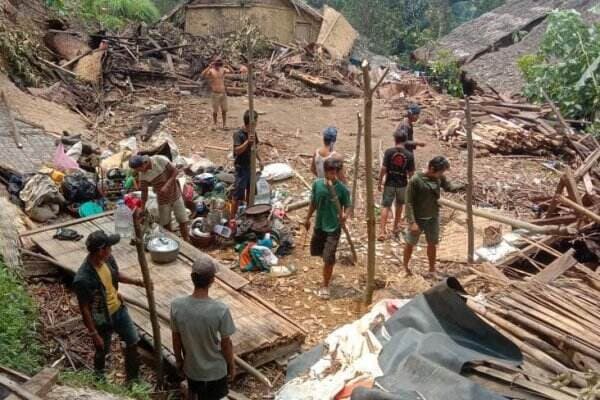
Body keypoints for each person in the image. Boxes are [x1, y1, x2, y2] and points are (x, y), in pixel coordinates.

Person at [72, 230, 146, 381]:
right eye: (109, 248)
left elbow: (116, 275)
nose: (111, 251)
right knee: (102, 349)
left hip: (119, 310)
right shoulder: (83, 278)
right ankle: (99, 378)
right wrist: (93, 333)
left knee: (132, 341)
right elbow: (84, 308)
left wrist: (137, 282)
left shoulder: (107, 259)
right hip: (102, 318)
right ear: (100, 250)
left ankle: (133, 379)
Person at [171, 254, 236, 400]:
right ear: (212, 280)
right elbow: (226, 345)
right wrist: (231, 366)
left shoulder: (177, 306)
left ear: (192, 277)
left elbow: (176, 339)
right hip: (216, 372)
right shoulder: (221, 310)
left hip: (193, 370)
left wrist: (180, 361)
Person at [403, 156, 465, 276]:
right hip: (418, 217)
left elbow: (448, 187)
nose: (441, 174)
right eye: (440, 172)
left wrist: (462, 186)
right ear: (431, 168)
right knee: (410, 243)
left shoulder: (439, 177)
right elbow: (408, 202)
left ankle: (432, 269)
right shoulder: (415, 180)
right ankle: (405, 267)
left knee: (432, 243)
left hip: (433, 216)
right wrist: (412, 222)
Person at [304, 158, 351, 300]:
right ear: (325, 171)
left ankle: (325, 285)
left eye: (335, 172)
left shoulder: (342, 189)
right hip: (320, 225)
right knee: (317, 252)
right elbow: (313, 202)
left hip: (333, 228)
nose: (333, 174)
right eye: (330, 171)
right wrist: (307, 218)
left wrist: (345, 215)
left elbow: (348, 206)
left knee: (329, 258)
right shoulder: (317, 185)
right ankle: (326, 267)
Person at [129, 155, 190, 242]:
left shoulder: (159, 160)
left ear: (144, 164)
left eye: (139, 169)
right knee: (166, 225)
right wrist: (142, 208)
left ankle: (187, 242)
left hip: (175, 195)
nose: (139, 172)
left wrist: (167, 185)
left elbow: (175, 171)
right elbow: (144, 193)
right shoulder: (142, 175)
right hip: (162, 200)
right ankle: (170, 244)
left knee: (183, 221)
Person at [378, 129, 415, 240]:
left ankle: (381, 231)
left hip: (389, 183)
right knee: (399, 205)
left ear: (395, 139)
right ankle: (395, 227)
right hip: (402, 184)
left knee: (386, 206)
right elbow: (411, 173)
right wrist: (411, 186)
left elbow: (384, 168)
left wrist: (380, 181)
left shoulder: (389, 152)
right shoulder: (409, 155)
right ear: (405, 140)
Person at [232, 110, 259, 217]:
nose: (257, 123)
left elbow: (255, 148)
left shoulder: (253, 132)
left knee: (251, 191)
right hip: (241, 168)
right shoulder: (238, 134)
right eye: (256, 121)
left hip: (251, 167)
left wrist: (260, 160)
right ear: (252, 122)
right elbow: (237, 151)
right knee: (238, 195)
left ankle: (248, 213)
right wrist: (247, 142)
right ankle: (232, 217)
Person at [201, 57, 230, 129]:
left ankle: (224, 125)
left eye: (219, 63)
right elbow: (202, 75)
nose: (217, 65)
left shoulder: (222, 69)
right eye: (216, 63)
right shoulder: (211, 70)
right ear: (214, 63)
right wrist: (209, 67)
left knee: (224, 110)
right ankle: (215, 124)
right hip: (215, 93)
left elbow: (231, 71)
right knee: (215, 111)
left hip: (223, 93)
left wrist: (227, 65)